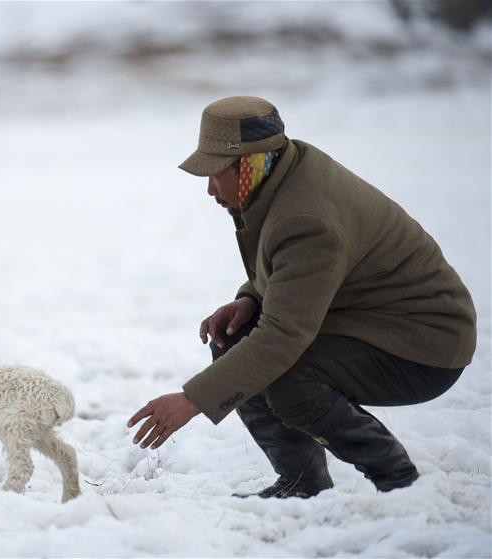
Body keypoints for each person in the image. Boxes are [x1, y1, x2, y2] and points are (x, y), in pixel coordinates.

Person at [127, 96, 476, 498]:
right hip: (371, 319)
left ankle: (397, 481)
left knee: (289, 380)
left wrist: (191, 400)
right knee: (234, 342)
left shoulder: (306, 217)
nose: (209, 189)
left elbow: (283, 338)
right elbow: (297, 271)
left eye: (215, 173)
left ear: (249, 165)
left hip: (425, 344)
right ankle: (302, 482)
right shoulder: (283, 169)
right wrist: (251, 299)